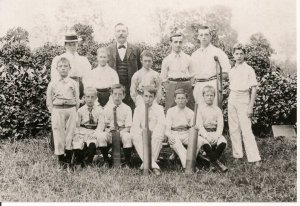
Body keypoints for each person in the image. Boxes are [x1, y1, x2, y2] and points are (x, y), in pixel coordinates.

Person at [228, 43, 261, 166]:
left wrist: (250, 106)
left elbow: (254, 89)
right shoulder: (232, 71)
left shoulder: (249, 69)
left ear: (244, 55)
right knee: (234, 128)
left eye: (241, 54)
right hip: (232, 97)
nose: (239, 56)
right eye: (236, 54)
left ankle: (255, 158)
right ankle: (237, 155)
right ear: (233, 55)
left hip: (244, 98)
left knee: (246, 129)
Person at [46, 57, 80, 168]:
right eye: (60, 66)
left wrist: (74, 110)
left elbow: (77, 98)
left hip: (71, 109)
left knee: (70, 133)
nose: (63, 68)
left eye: (65, 66)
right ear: (57, 69)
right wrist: (53, 111)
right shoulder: (52, 83)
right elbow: (49, 100)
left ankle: (69, 159)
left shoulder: (73, 83)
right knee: (58, 134)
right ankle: (61, 160)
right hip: (57, 110)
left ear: (69, 68)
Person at [191, 25, 231, 106]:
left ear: (210, 36)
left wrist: (215, 81)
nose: (204, 37)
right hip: (198, 86)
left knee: (213, 112)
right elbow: (191, 75)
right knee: (199, 113)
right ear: (198, 37)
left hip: (213, 85)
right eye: (201, 35)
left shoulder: (218, 52)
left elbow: (226, 72)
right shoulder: (194, 55)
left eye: (206, 34)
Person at [107, 23, 142, 111]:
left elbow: (141, 69)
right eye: (118, 31)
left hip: (131, 88)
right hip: (115, 88)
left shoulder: (136, 49)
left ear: (127, 33)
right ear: (115, 33)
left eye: (123, 31)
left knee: (132, 112)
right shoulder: (108, 49)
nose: (121, 33)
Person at [131, 86, 166, 176]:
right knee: (135, 137)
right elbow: (135, 125)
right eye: (146, 96)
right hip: (142, 133)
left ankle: (144, 166)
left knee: (158, 136)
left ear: (154, 98)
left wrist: (153, 132)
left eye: (150, 96)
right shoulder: (138, 109)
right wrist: (142, 133)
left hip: (154, 133)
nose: (148, 99)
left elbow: (161, 124)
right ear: (142, 96)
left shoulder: (159, 109)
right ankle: (154, 166)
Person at [165, 88, 202, 170]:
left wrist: (194, 129)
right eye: (178, 98)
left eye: (183, 98)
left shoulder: (191, 112)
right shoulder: (171, 111)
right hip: (174, 133)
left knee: (199, 141)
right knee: (177, 144)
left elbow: (194, 127)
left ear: (187, 100)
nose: (181, 100)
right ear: (175, 100)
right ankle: (188, 166)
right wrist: (169, 136)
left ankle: (191, 160)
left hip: (186, 133)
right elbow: (167, 129)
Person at [98, 84, 133, 168]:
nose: (117, 97)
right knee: (101, 137)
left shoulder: (127, 108)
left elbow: (128, 127)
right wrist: (106, 131)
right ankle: (106, 160)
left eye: (120, 94)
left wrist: (119, 132)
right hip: (110, 132)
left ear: (124, 95)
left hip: (122, 132)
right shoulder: (106, 108)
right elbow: (102, 124)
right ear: (111, 95)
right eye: (115, 94)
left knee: (128, 137)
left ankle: (127, 162)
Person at [51, 32, 92, 99]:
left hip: (80, 88)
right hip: (65, 88)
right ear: (65, 45)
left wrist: (86, 92)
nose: (72, 47)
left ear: (77, 45)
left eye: (74, 44)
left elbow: (87, 78)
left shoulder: (83, 60)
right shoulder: (59, 59)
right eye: (70, 45)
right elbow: (55, 78)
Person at [159, 33, 195, 111]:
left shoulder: (188, 58)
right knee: (171, 109)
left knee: (189, 109)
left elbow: (192, 76)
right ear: (170, 43)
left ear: (183, 43)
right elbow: (163, 79)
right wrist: (171, 88)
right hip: (173, 86)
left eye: (180, 42)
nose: (178, 44)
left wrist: (188, 85)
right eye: (175, 42)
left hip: (186, 86)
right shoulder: (166, 60)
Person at [72, 87, 105, 167]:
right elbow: (76, 124)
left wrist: (96, 133)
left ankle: (89, 162)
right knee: (77, 143)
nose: (90, 99)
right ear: (84, 98)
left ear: (96, 98)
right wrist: (76, 134)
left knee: (92, 143)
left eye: (92, 97)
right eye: (88, 97)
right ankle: (79, 161)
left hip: (93, 131)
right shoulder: (80, 110)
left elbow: (101, 124)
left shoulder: (99, 110)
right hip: (82, 131)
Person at [196, 85, 227, 170]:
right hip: (204, 133)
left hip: (215, 132)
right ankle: (217, 163)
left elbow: (220, 125)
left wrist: (217, 136)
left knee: (223, 142)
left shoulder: (217, 110)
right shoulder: (200, 109)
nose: (209, 97)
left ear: (214, 96)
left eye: (211, 95)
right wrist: (206, 136)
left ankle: (210, 161)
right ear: (203, 96)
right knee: (205, 143)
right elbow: (200, 125)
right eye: (207, 95)